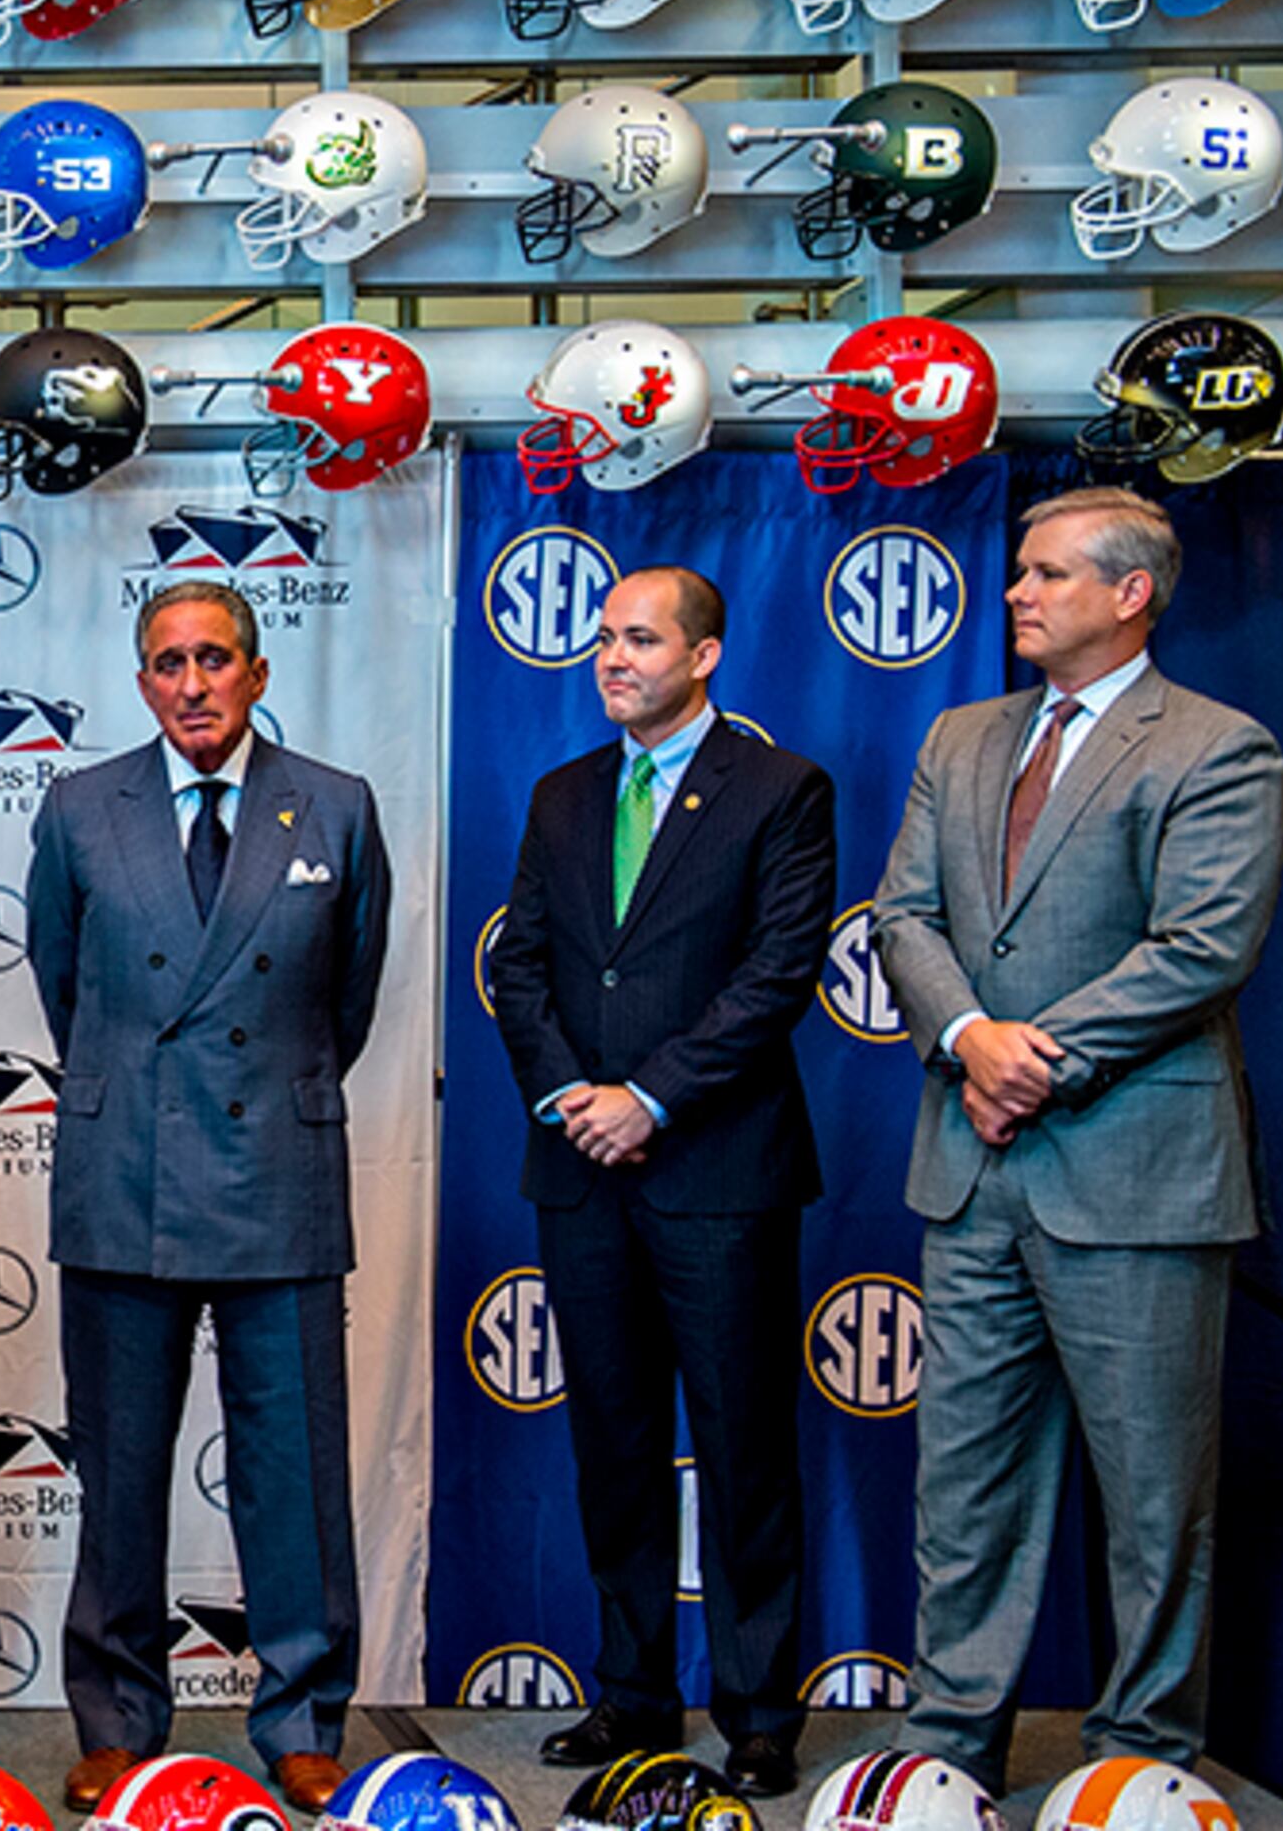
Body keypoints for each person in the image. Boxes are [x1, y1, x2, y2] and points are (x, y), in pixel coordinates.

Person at [872, 486, 1283, 1790]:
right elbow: (904, 916)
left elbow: (1202, 947)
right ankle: (948, 1750)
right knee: (965, 1488)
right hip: (974, 1170)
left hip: (1137, 1179)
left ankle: (1139, 1760)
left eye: (1047, 575)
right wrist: (964, 1041)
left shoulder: (1219, 748)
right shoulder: (962, 736)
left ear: (1130, 594)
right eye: (1020, 574)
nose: (1017, 593)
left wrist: (1023, 1060)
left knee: (1156, 1502)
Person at [28, 579, 392, 1818]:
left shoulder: (334, 806)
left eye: (214, 659)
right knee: (120, 1470)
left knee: (291, 1474)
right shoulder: (81, 807)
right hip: (121, 1173)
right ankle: (119, 1719)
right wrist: (139, 1090)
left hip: (278, 1185)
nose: (191, 682)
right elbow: (64, 986)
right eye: (167, 662)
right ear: (142, 681)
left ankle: (301, 1717)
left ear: (256, 671)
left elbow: (343, 1005)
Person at [487, 566, 833, 1797]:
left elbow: (780, 971)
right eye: (602, 640)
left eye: (640, 639)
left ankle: (754, 1712)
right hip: (582, 1170)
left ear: (704, 657)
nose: (612, 658)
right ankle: (633, 1698)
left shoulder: (781, 789)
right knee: (614, 1444)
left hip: (719, 1171)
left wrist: (653, 1097)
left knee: (743, 1449)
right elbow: (519, 966)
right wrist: (573, 1097)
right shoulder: (564, 794)